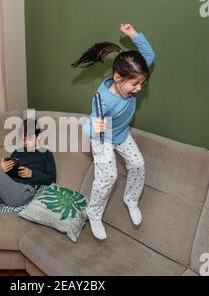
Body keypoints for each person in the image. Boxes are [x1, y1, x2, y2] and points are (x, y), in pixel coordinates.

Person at [72, 23, 155, 240]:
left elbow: (149, 55)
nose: (138, 89)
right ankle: (94, 212)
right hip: (102, 138)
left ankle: (131, 199)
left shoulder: (131, 76)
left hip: (121, 132)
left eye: (141, 84)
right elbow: (89, 124)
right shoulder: (103, 99)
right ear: (118, 78)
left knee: (137, 163)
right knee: (109, 176)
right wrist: (93, 126)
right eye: (135, 85)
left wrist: (133, 35)